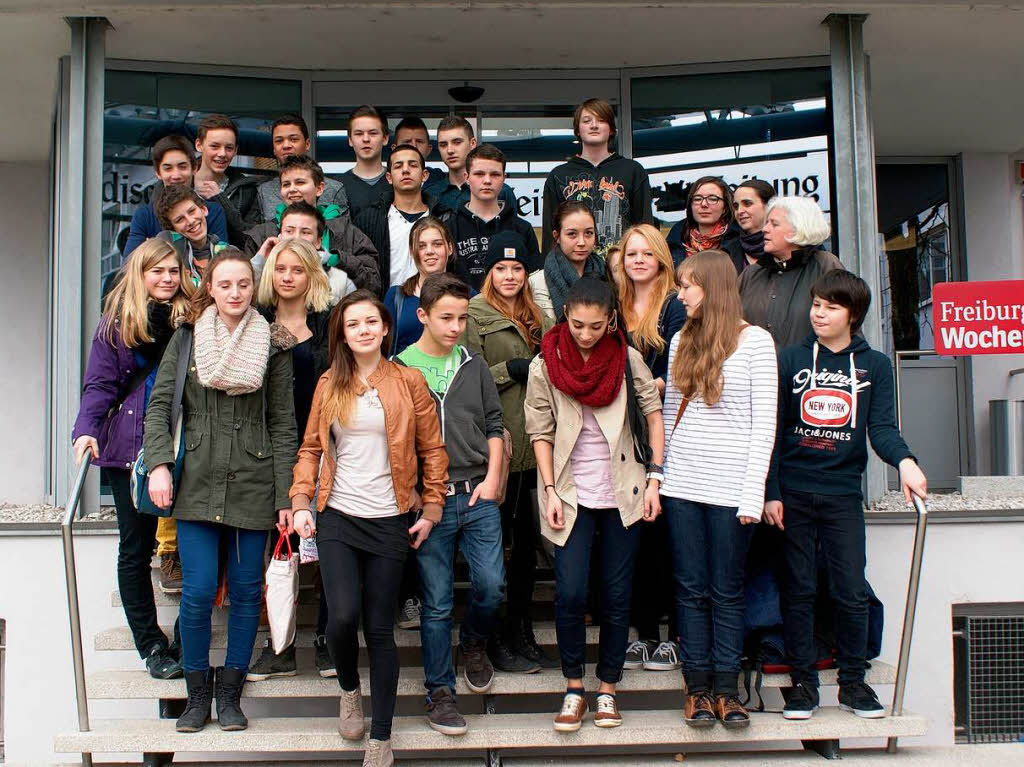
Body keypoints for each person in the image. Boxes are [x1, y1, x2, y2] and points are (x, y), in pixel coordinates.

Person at [290, 290, 448, 767]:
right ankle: (347, 687)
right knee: (341, 616)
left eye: (371, 322)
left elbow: (432, 451)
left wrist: (433, 507)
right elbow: (311, 450)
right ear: (342, 332)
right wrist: (300, 501)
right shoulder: (328, 384)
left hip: (388, 518)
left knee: (379, 629)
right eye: (352, 323)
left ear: (384, 329)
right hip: (337, 514)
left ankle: (382, 737)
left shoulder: (408, 381)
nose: (362, 330)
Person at [144, 248, 298, 733]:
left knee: (248, 593)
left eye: (244, 285)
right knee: (197, 593)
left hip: (254, 484)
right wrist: (159, 466)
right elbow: (160, 404)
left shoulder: (274, 342)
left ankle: (230, 696)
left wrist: (285, 498)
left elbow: (283, 425)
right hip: (196, 482)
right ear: (210, 287)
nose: (235, 293)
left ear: (255, 289)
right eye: (226, 284)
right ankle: (196, 697)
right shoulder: (188, 339)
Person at [766, 270, 927, 721]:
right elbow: (773, 433)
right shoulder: (792, 358)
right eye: (816, 304)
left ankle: (854, 683)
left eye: (830, 307)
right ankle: (802, 687)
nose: (819, 313)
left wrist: (906, 463)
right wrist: (771, 491)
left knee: (850, 591)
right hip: (793, 493)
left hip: (841, 496)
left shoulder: (873, 365)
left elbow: (881, 428)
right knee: (797, 590)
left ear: (852, 315)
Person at [525, 276, 664, 732]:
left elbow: (653, 412)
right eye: (579, 324)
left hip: (623, 489)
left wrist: (655, 479)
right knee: (569, 593)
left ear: (611, 322)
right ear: (565, 316)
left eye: (596, 326)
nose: (586, 334)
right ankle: (573, 687)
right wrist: (548, 490)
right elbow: (540, 431)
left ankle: (608, 688)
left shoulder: (628, 360)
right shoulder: (545, 364)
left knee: (617, 594)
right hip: (570, 492)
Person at [660, 250, 777, 730]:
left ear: (714, 287)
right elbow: (669, 415)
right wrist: (660, 477)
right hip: (683, 484)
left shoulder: (756, 343)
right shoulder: (679, 339)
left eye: (688, 285)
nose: (680, 293)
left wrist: (753, 494)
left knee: (726, 592)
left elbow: (763, 425)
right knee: (689, 591)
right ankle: (698, 690)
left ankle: (728, 691)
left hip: (732, 489)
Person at [72, 237, 194, 680]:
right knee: (136, 547)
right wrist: (86, 429)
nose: (166, 279)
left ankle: (187, 638)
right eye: (157, 271)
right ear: (140, 275)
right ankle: (151, 645)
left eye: (173, 271)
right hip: (131, 449)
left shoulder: (194, 319)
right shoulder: (116, 325)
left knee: (200, 550)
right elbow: (100, 385)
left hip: (186, 447)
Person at [395, 273, 508, 735]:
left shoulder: (473, 364)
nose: (456, 326)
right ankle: (440, 694)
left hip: (478, 493)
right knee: (437, 604)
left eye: (463, 317)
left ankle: (475, 643)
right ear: (422, 315)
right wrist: (416, 494)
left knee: (492, 586)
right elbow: (394, 442)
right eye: (446, 317)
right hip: (431, 503)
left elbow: (497, 424)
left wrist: (495, 478)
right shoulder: (400, 369)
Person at [463, 232, 555, 671]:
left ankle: (521, 628)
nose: (510, 276)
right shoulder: (475, 314)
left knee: (525, 546)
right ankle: (493, 634)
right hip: (498, 444)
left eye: (517, 269)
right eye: (501, 268)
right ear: (489, 271)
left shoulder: (537, 313)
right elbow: (471, 374)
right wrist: (511, 368)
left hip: (538, 441)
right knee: (496, 547)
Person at [247, 238, 337, 682]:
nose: (287, 276)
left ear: (311, 277)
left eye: (297, 269)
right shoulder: (255, 325)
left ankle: (325, 640)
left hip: (323, 446)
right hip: (271, 448)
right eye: (279, 268)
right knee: (276, 546)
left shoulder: (327, 328)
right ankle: (277, 645)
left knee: (324, 547)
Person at [615, 224, 686, 673]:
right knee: (635, 537)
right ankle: (643, 634)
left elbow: (678, 371)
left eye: (646, 253)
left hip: (667, 432)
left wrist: (651, 387)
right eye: (631, 253)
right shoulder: (616, 305)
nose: (638, 260)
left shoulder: (675, 306)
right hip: (623, 432)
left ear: (661, 257)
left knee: (669, 539)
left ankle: (675, 635)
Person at [243, 156, 381, 297]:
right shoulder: (262, 235)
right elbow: (244, 289)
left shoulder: (346, 232)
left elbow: (373, 284)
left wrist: (338, 260)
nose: (292, 189)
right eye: (286, 184)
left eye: (300, 182)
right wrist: (261, 260)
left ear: (319, 188)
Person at [541, 98, 653, 257]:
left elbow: (645, 226)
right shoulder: (558, 175)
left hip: (621, 269)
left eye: (601, 120)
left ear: (612, 129)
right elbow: (549, 233)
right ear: (578, 130)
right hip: (573, 271)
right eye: (587, 121)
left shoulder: (633, 171)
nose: (594, 125)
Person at [739, 196, 843, 349]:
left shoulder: (825, 265)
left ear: (799, 228)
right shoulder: (752, 273)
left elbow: (846, 325)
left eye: (774, 224)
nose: (765, 229)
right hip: (758, 371)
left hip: (810, 370)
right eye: (767, 223)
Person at [440, 144, 541, 292]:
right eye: (479, 174)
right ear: (467, 177)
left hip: (510, 312)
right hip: (462, 312)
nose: (487, 180)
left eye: (495, 174)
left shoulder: (522, 229)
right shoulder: (449, 228)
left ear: (504, 178)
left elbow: (534, 280)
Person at [124, 135, 228, 257]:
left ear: (194, 168)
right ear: (158, 173)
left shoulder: (214, 212)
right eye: (168, 168)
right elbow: (130, 265)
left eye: (182, 167)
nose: (176, 175)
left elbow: (222, 260)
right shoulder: (144, 216)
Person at [353, 144, 434, 296]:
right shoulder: (368, 220)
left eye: (412, 165)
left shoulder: (442, 217)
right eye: (398, 166)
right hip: (385, 309)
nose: (405, 170)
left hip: (435, 307)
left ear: (424, 175)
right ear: (389, 178)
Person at [383, 216, 455, 358]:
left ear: (450, 248)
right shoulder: (397, 296)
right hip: (404, 377)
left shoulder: (467, 295)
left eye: (437, 244)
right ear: (411, 252)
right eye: (421, 246)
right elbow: (383, 349)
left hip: (453, 378)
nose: (429, 251)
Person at [256, 114, 349, 221]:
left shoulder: (334, 189)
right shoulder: (264, 191)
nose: (286, 145)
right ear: (274, 149)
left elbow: (344, 233)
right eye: (279, 141)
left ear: (307, 144)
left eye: (294, 139)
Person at [426, 116, 519, 215]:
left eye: (457, 142)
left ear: (472, 143)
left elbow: (513, 228)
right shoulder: (430, 194)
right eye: (443, 144)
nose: (450, 150)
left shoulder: (502, 192)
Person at [193, 114, 262, 247]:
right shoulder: (180, 181)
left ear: (236, 150)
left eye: (229, 148)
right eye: (215, 146)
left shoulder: (247, 190)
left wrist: (220, 199)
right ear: (199, 145)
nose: (222, 154)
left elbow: (250, 241)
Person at [530, 201, 605, 323]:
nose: (581, 242)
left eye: (588, 233)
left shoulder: (607, 276)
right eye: (572, 234)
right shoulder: (535, 283)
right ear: (557, 236)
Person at [665, 176, 744, 271]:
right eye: (698, 199)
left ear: (725, 207)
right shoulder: (675, 240)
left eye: (712, 199)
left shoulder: (739, 241)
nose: (704, 204)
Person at [155, 184, 228, 283]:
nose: (190, 221)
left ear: (204, 209)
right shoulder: (169, 250)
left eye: (192, 211)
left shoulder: (228, 252)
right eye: (180, 219)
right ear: (173, 229)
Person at [340, 106, 393, 219]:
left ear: (385, 138)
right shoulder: (338, 186)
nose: (365, 139)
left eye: (373, 133)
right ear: (350, 140)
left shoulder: (398, 182)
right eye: (358, 134)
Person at [392, 115, 447, 191]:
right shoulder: (384, 182)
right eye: (407, 142)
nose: (414, 146)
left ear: (429, 149)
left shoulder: (442, 180)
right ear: (394, 149)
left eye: (419, 141)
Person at [732, 179, 776, 267]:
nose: (739, 211)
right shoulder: (728, 251)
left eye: (747, 204)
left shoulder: (788, 247)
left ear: (769, 205)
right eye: (736, 206)